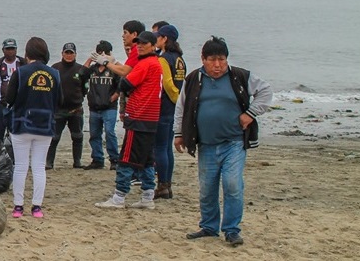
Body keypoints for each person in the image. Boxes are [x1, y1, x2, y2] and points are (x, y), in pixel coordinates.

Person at [174, 36, 272, 247]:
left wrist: (250, 113)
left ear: (227, 59)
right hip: (206, 144)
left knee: (232, 184)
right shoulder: (193, 79)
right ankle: (209, 227)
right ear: (203, 59)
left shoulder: (239, 76)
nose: (217, 65)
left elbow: (265, 91)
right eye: (212, 60)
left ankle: (231, 230)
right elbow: (182, 107)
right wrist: (179, 133)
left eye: (221, 59)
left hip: (233, 143)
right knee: (207, 188)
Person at [95, 31, 162, 209]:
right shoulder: (155, 63)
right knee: (147, 158)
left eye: (144, 43)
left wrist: (111, 65)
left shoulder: (146, 63)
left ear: (153, 45)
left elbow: (126, 83)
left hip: (140, 116)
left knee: (126, 158)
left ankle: (119, 196)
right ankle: (148, 195)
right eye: (138, 43)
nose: (139, 46)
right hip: (151, 117)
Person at [3, 37, 62, 219]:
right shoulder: (54, 74)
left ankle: (18, 207)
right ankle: (37, 207)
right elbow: (59, 100)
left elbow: (9, 99)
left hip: (22, 123)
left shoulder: (21, 73)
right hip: (44, 125)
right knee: (38, 167)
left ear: (27, 53)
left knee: (20, 166)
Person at [153, 24, 186, 199]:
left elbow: (167, 84)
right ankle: (167, 183)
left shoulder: (164, 59)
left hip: (165, 107)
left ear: (165, 39)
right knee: (166, 148)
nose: (156, 39)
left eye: (158, 36)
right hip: (174, 109)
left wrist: (176, 100)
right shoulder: (180, 58)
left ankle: (163, 184)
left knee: (160, 147)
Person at [46, 42, 90, 169]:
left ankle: (77, 162)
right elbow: (50, 87)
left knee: (77, 137)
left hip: (75, 109)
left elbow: (85, 88)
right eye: (67, 52)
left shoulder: (80, 69)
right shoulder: (55, 68)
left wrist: (79, 98)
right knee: (54, 138)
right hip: (58, 109)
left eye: (71, 53)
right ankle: (49, 162)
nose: (69, 55)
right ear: (62, 53)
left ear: (75, 54)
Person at [82, 40, 121, 170]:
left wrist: (115, 96)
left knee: (110, 133)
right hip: (94, 107)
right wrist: (89, 60)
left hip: (109, 107)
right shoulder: (92, 69)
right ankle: (97, 159)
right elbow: (79, 75)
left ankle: (114, 159)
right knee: (94, 134)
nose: (102, 56)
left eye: (105, 53)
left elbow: (122, 84)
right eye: (99, 53)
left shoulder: (113, 70)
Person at [0, 38, 24, 142]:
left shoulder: (23, 64)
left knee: (16, 136)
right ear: (3, 50)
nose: (10, 51)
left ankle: (13, 157)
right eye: (8, 49)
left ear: (16, 50)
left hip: (18, 107)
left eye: (12, 49)